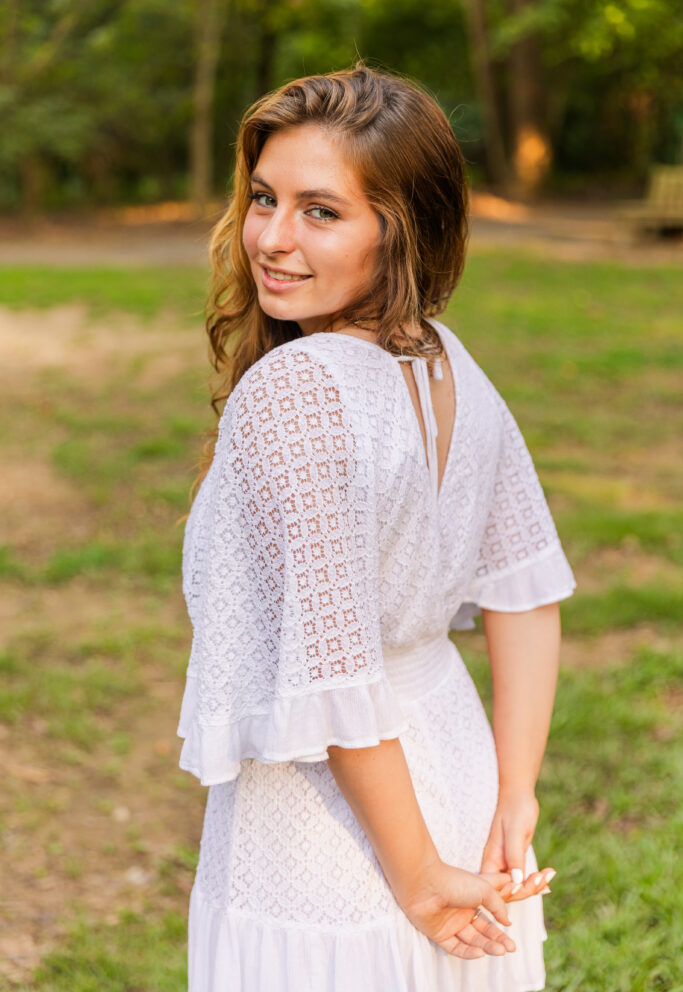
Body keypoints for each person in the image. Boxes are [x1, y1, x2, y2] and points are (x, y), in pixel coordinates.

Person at [176, 64, 576, 992]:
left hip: (336, 826)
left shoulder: (297, 390)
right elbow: (526, 593)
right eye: (265, 198)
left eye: (321, 211)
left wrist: (419, 875)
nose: (270, 238)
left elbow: (334, 669)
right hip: (454, 760)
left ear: (401, 231)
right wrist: (512, 791)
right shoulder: (444, 359)